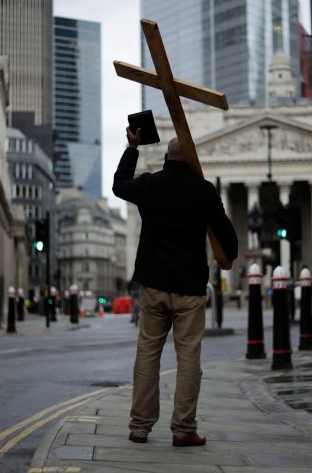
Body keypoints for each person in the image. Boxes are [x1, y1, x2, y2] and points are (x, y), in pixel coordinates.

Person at [113, 128, 238, 447]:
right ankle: (183, 428)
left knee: (147, 354)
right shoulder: (204, 192)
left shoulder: (151, 185)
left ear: (167, 158)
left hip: (153, 285)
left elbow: (119, 185)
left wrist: (132, 148)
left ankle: (140, 426)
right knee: (188, 358)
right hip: (190, 289)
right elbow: (230, 243)